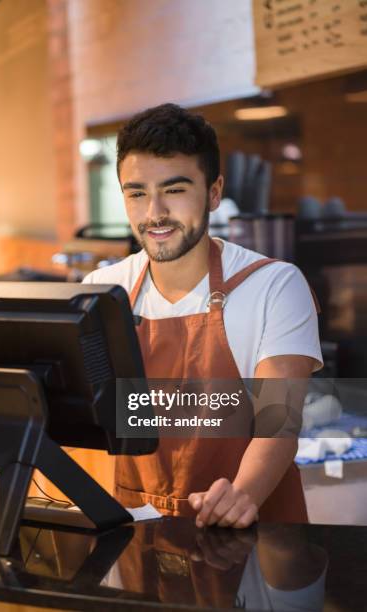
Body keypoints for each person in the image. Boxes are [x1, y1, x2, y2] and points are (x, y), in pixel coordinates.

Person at [82, 103, 323, 528]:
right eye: (136, 193)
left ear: (213, 192)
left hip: (254, 534)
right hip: (140, 526)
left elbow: (279, 424)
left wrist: (241, 495)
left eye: (174, 190)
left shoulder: (275, 285)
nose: (154, 212)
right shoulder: (102, 291)